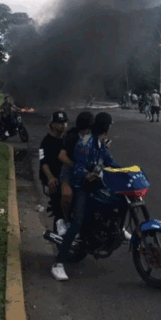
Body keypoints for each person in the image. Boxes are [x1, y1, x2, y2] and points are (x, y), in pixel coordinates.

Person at [51, 112, 125, 282]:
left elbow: (111, 162)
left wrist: (125, 172)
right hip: (82, 187)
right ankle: (58, 264)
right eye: (109, 125)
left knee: (119, 198)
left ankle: (116, 229)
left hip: (96, 184)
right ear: (105, 127)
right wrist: (86, 175)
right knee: (77, 222)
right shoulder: (85, 143)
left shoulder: (100, 144)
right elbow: (77, 167)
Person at [58, 111, 94, 234]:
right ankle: (65, 220)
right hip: (70, 170)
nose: (86, 132)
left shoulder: (93, 136)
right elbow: (62, 156)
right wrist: (75, 166)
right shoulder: (72, 136)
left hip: (88, 170)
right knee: (67, 194)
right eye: (84, 129)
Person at [40, 111, 69, 235]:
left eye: (64, 122)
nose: (63, 126)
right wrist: (50, 177)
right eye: (59, 123)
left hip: (66, 176)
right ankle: (60, 220)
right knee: (57, 191)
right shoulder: (46, 142)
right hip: (52, 177)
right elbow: (43, 162)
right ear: (52, 124)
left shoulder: (68, 139)